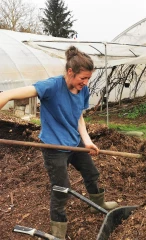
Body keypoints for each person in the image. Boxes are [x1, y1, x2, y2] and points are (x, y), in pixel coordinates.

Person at [0, 46, 118, 239]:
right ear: (70, 72)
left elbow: (79, 116)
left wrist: (87, 142)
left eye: (88, 78)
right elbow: (8, 95)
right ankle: (58, 231)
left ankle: (98, 206)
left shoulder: (83, 90)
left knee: (91, 172)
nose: (86, 83)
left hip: (74, 142)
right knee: (61, 188)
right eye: (83, 78)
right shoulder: (52, 86)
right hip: (54, 147)